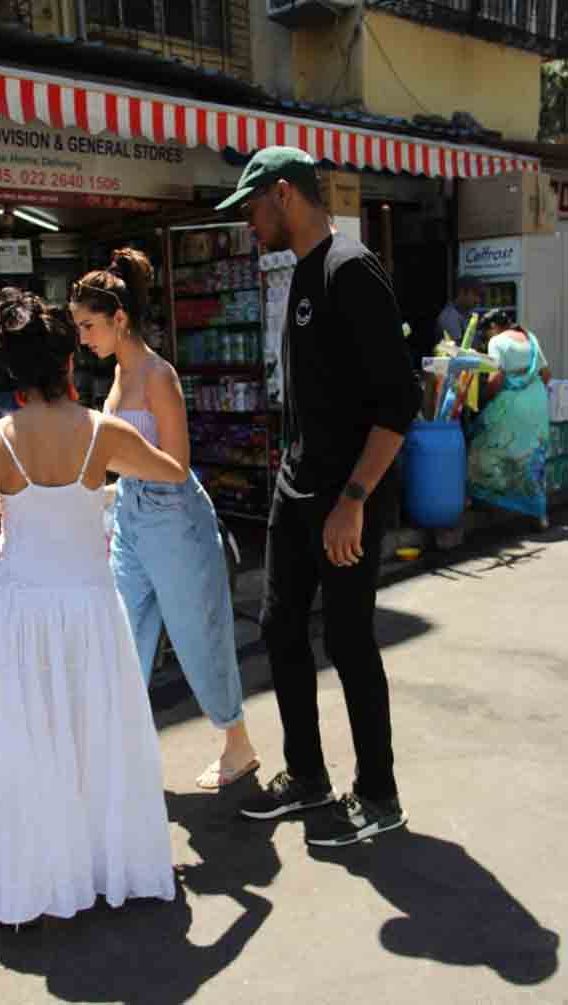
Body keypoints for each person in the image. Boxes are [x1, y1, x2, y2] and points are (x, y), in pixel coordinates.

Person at [0, 288, 181, 927]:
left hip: (21, 609)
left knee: (21, 741)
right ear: (68, 363)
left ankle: (16, 883)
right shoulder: (102, 432)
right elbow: (169, 470)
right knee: (92, 732)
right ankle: (105, 866)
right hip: (88, 606)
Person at [214, 146, 421, 845]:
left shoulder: (350, 269)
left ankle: (378, 791)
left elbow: (399, 402)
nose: (248, 220)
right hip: (298, 488)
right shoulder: (301, 274)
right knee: (278, 626)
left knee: (349, 638)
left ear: (283, 194)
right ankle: (308, 775)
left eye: (252, 205)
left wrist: (356, 496)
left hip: (345, 498)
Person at [69, 250, 258, 791]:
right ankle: (120, 755)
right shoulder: (119, 375)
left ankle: (237, 743)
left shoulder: (158, 375)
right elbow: (127, 459)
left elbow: (176, 465)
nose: (82, 338)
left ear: (119, 319)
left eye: (88, 325)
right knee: (122, 638)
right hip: (131, 517)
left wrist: (112, 461)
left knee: (199, 635)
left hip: (174, 519)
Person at [467, 314, 551, 527]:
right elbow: (546, 375)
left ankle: (491, 504)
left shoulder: (497, 341)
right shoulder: (530, 338)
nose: (487, 340)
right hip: (537, 402)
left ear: (494, 327)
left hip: (511, 405)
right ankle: (538, 513)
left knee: (485, 449)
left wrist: (481, 399)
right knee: (530, 457)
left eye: (486, 334)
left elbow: (496, 380)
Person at [436, 275, 483, 346]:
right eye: (475, 295)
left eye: (480, 296)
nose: (478, 300)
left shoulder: (468, 314)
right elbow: (457, 349)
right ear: (462, 292)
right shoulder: (450, 315)